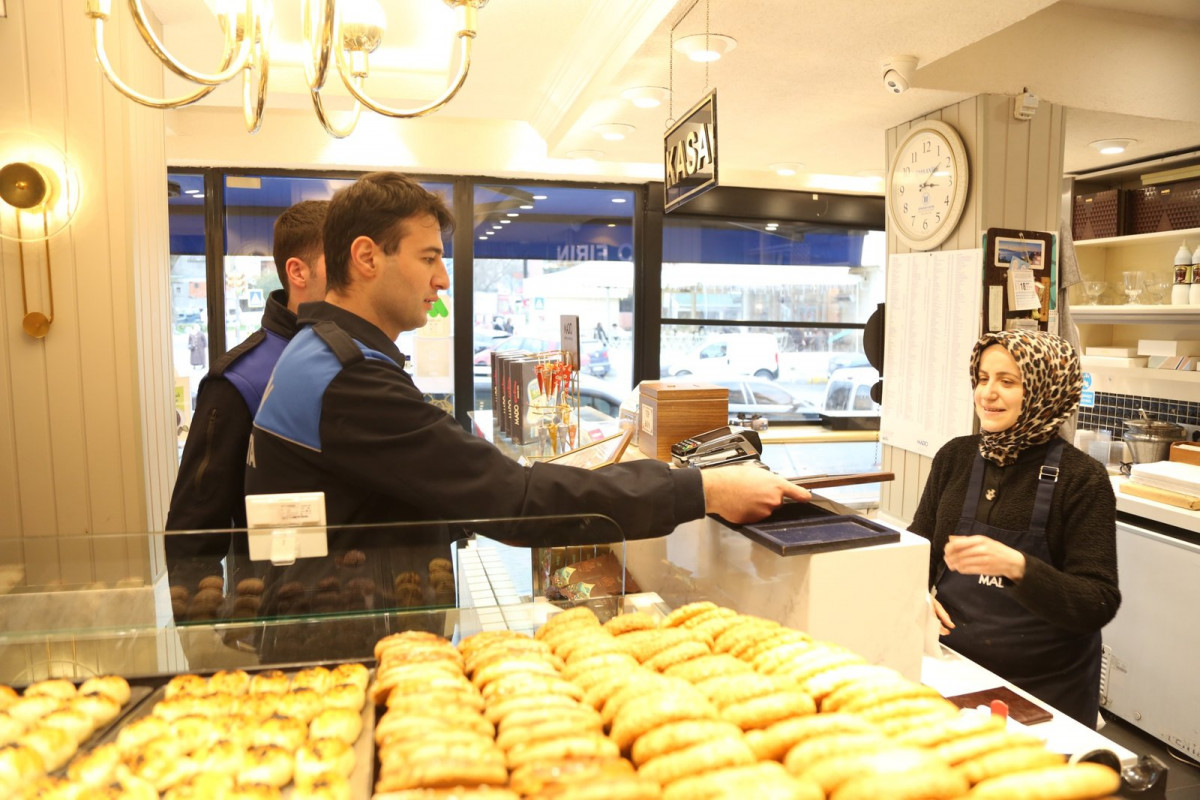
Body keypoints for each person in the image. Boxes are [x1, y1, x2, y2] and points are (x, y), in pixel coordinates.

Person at [246, 171, 807, 541]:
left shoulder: (318, 352)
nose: (442, 280)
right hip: (351, 652)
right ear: (367, 257)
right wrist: (703, 489)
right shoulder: (348, 379)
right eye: (428, 258)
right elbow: (512, 500)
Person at [909, 330, 1120, 727]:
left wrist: (1019, 567)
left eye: (1007, 381)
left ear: (1045, 391)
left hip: (1046, 691)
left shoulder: (1082, 478)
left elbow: (1098, 601)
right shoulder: (955, 457)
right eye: (982, 378)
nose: (987, 393)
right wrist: (915, 593)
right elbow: (916, 550)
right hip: (956, 668)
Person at [165, 200, 329, 598]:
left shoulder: (363, 361)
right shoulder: (241, 378)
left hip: (369, 597)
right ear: (298, 272)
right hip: (274, 603)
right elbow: (195, 532)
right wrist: (203, 623)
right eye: (339, 262)